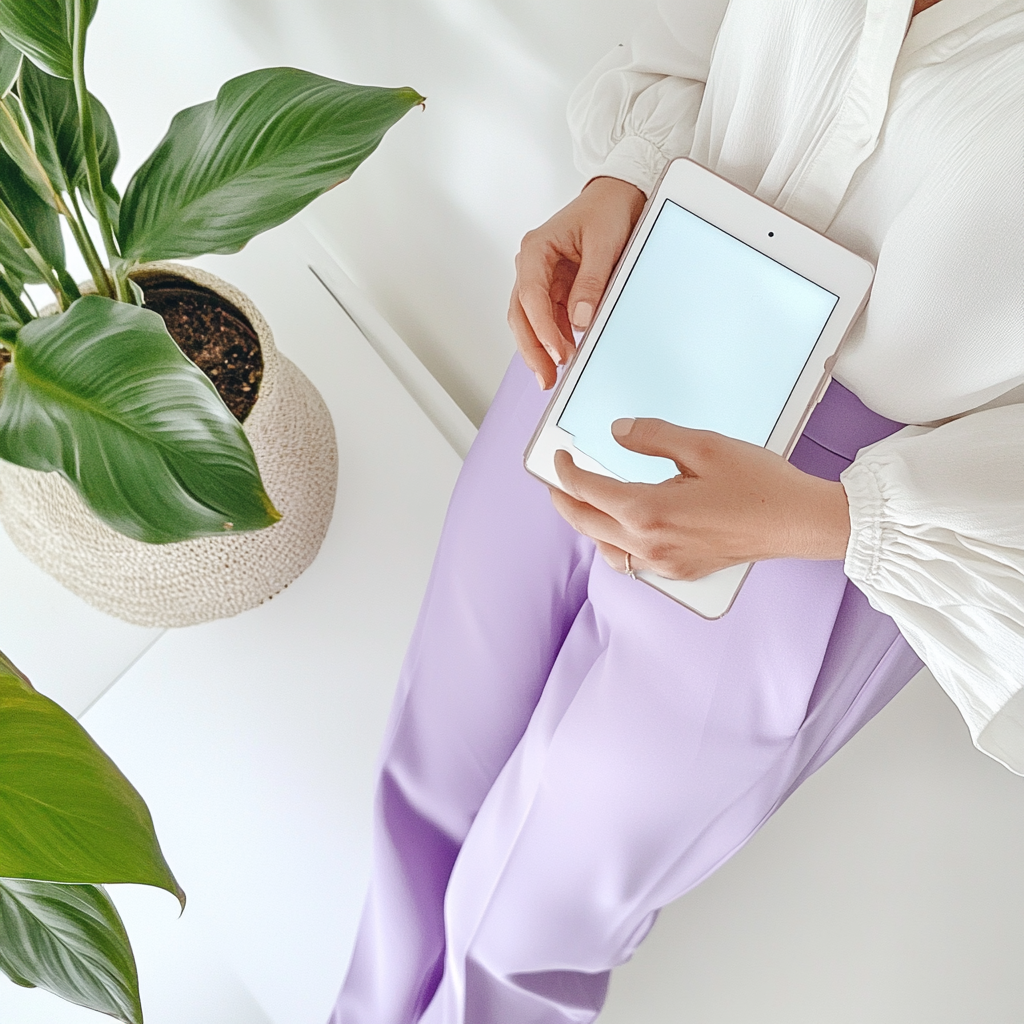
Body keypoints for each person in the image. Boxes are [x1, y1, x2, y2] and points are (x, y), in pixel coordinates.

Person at [330, 0, 1024, 1020]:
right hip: (623, 323)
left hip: (822, 505)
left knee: (524, 934)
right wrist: (627, 171)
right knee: (427, 779)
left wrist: (824, 523)